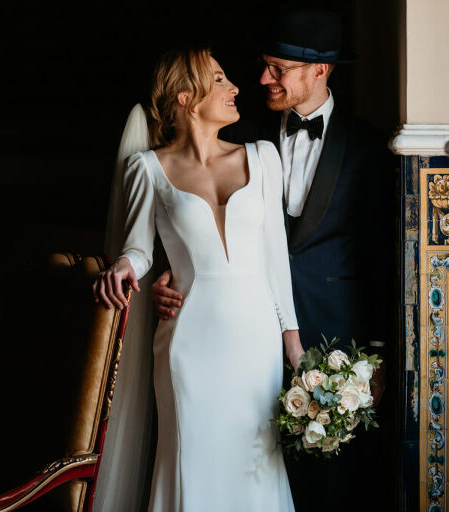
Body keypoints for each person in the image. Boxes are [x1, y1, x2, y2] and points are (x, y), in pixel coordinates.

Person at [150, 7, 397, 511]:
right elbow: (192, 212)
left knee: (329, 489)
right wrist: (169, 271)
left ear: (319, 71)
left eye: (277, 69)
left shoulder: (369, 148)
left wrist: (378, 353)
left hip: (333, 348)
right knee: (241, 474)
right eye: (264, 65)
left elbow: (379, 258)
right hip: (237, 344)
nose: (262, 78)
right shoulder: (237, 129)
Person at [92, 46, 304, 511]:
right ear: (186, 99)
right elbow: (138, 249)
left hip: (256, 342)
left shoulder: (262, 156)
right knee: (192, 459)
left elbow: (275, 258)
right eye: (221, 80)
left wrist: (294, 347)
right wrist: (126, 265)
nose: (235, 89)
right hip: (189, 341)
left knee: (257, 465)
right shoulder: (147, 168)